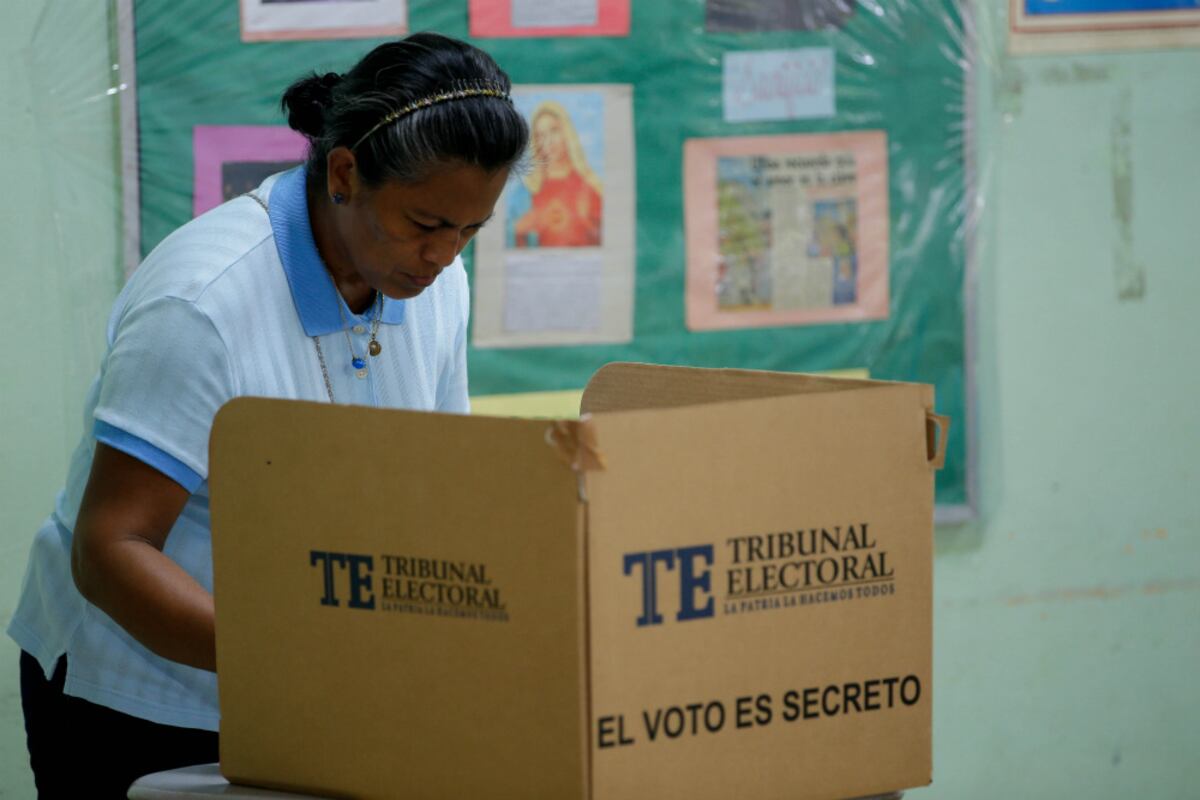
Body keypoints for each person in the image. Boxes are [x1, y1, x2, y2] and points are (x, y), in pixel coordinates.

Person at [9, 32, 528, 797]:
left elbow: (433, 477)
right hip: (137, 696)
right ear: (345, 172)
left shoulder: (434, 283)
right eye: (425, 225)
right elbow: (110, 546)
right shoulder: (204, 302)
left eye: (471, 230)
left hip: (314, 678)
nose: (446, 255)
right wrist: (299, 657)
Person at [512, 100, 603, 248]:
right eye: (541, 135)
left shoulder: (589, 189)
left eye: (554, 130)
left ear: (566, 132)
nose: (549, 141)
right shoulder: (527, 190)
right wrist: (518, 232)